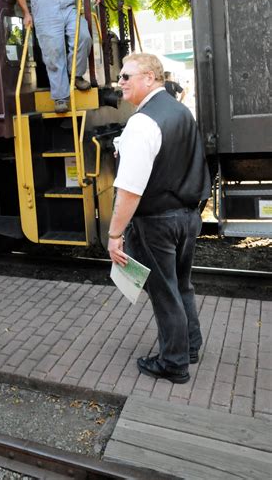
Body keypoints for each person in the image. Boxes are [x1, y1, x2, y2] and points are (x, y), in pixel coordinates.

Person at [107, 53, 210, 384]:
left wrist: (114, 234)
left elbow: (130, 190)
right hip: (188, 216)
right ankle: (190, 346)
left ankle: (174, 362)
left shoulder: (142, 122)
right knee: (181, 284)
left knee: (164, 292)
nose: (119, 81)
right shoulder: (181, 111)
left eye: (126, 76)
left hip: (157, 222)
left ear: (149, 78)